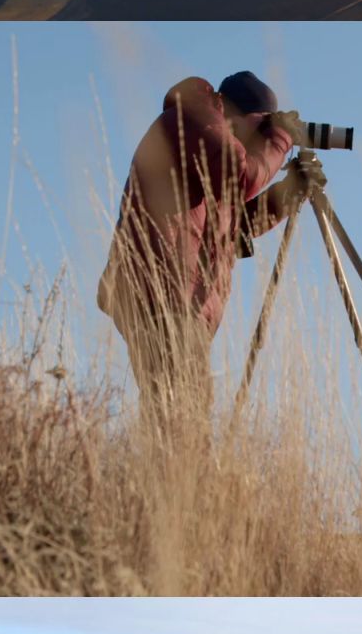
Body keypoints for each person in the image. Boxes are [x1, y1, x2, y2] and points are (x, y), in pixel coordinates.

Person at [96, 70, 319, 433]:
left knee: (178, 413)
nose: (256, 144)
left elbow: (230, 234)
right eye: (260, 131)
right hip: (161, 293)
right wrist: (280, 139)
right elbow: (241, 178)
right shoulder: (192, 119)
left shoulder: (210, 153)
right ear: (246, 118)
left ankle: (166, 485)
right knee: (182, 418)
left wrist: (285, 195)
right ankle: (169, 487)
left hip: (176, 299)